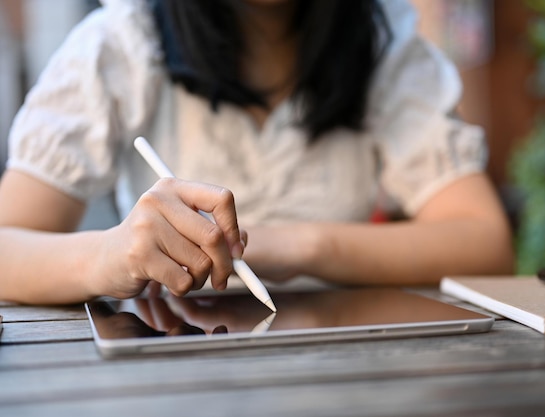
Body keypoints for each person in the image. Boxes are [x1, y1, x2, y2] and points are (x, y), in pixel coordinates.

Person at [0, 0, 514, 305]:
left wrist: (296, 246)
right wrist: (110, 255)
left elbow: (484, 242)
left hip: (346, 373)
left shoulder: (382, 47)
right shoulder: (123, 43)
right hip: (174, 378)